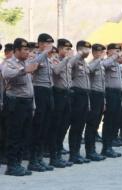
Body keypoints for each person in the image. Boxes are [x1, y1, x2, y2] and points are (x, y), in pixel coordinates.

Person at [2, 38, 38, 176]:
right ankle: (11, 166)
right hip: (15, 103)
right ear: (16, 50)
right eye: (25, 50)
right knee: (14, 135)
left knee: (24, 135)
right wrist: (23, 70)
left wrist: (33, 105)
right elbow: (6, 74)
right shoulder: (9, 62)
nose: (27, 52)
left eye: (28, 50)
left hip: (27, 103)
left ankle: (18, 163)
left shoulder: (27, 62)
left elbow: (30, 87)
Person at [28, 33, 55, 172]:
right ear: (39, 44)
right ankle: (32, 160)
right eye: (46, 43)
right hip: (38, 91)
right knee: (37, 127)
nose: (49, 46)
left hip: (49, 92)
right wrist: (44, 52)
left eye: (50, 44)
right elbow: (31, 67)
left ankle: (39, 158)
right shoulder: (35, 56)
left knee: (45, 126)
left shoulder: (50, 59)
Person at [49, 38, 74, 168]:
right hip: (58, 94)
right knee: (56, 126)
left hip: (68, 94)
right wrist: (65, 60)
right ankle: (54, 157)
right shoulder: (55, 59)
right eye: (65, 48)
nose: (68, 51)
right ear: (59, 49)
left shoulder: (69, 62)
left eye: (69, 49)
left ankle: (59, 153)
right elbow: (56, 71)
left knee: (64, 125)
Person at [68, 40, 93, 164]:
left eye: (89, 49)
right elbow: (68, 65)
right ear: (79, 49)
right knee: (76, 125)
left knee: (80, 126)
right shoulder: (75, 60)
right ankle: (73, 154)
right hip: (76, 94)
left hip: (85, 95)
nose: (88, 52)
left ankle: (77, 152)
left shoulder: (85, 63)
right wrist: (78, 54)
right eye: (85, 49)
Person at [85, 43, 106, 161]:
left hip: (100, 95)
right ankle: (89, 151)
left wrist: (104, 101)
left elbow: (103, 84)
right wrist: (98, 59)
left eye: (101, 52)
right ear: (93, 52)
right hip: (93, 95)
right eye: (97, 52)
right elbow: (90, 70)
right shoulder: (93, 63)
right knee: (91, 124)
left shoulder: (101, 65)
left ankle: (93, 149)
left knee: (96, 125)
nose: (100, 54)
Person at [101, 43, 122, 158]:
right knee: (109, 121)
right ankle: (106, 147)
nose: (117, 53)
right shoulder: (107, 61)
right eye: (115, 50)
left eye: (118, 50)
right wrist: (114, 57)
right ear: (108, 52)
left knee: (115, 120)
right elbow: (103, 65)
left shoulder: (117, 64)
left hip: (117, 93)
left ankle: (110, 145)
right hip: (109, 93)